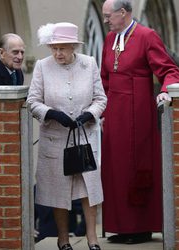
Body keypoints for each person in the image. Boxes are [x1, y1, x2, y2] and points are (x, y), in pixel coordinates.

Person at [100, 0, 179, 244]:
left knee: (136, 165)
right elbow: (104, 79)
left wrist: (167, 91)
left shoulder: (147, 36)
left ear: (122, 13)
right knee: (116, 168)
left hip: (139, 113)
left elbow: (169, 70)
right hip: (114, 115)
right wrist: (102, 110)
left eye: (108, 16)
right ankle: (121, 227)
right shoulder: (109, 39)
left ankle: (140, 227)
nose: (105, 21)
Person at [27, 22, 107, 250]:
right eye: (54, 48)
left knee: (89, 191)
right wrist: (51, 113)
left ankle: (92, 239)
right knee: (57, 191)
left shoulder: (88, 64)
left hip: (85, 138)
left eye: (62, 48)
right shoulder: (43, 66)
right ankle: (63, 240)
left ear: (73, 46)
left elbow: (101, 98)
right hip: (55, 139)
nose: (57, 53)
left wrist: (88, 115)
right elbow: (33, 101)